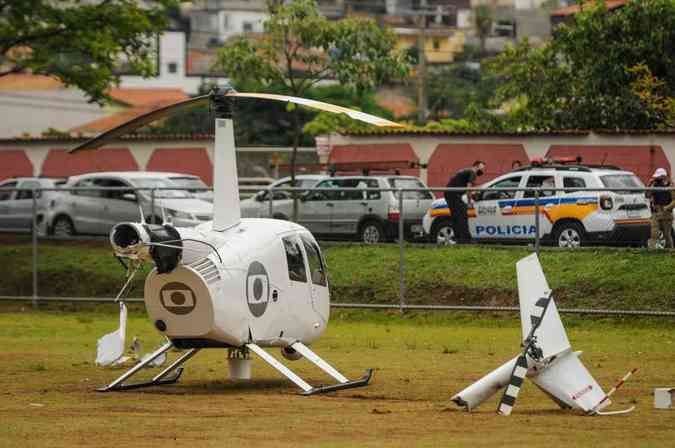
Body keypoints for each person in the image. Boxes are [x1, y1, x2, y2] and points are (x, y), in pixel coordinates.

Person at [444, 161, 486, 244]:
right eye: (482, 167)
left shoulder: (465, 171)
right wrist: (470, 202)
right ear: (477, 166)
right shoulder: (472, 172)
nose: (483, 169)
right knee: (462, 215)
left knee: (456, 217)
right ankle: (466, 239)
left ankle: (458, 238)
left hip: (449, 193)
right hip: (453, 194)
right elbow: (469, 188)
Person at [646, 168, 674, 249]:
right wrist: (649, 185)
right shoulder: (654, 185)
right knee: (654, 233)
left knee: (667, 234)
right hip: (656, 212)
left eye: (659, 177)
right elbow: (647, 195)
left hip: (666, 213)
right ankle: (652, 251)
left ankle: (670, 250)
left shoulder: (670, 186)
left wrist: (667, 207)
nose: (657, 179)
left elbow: (674, 200)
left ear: (664, 176)